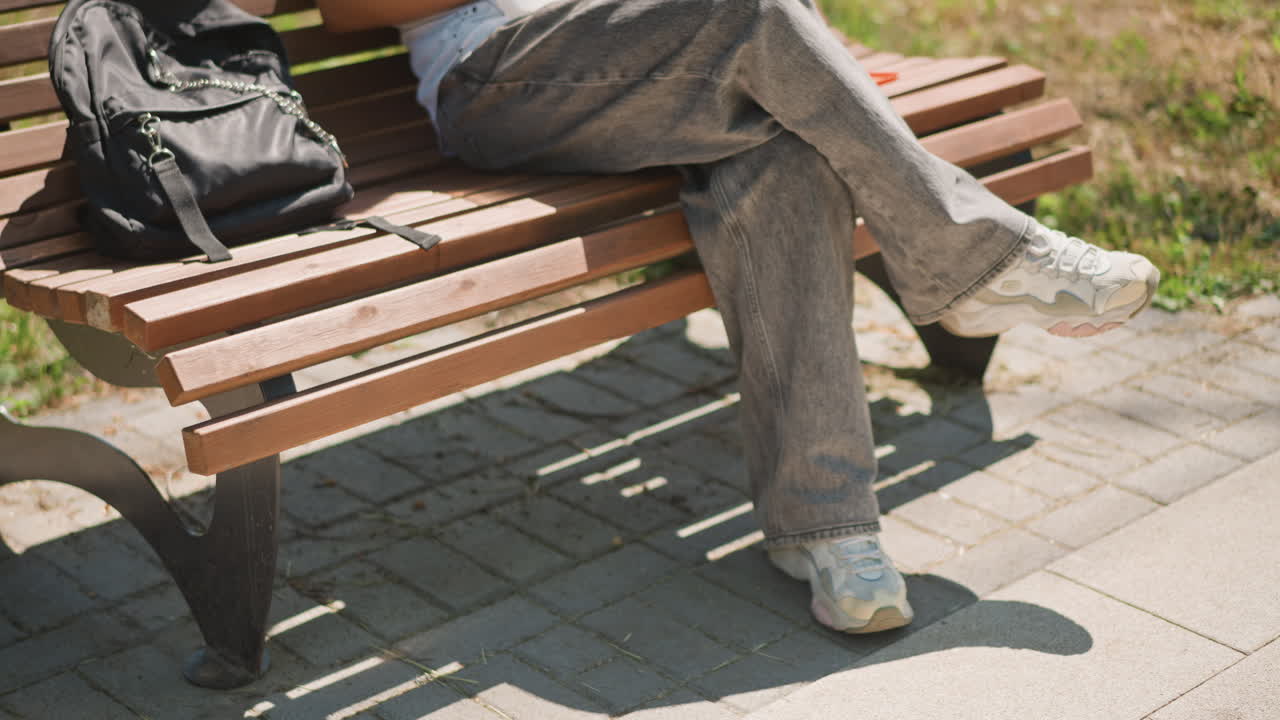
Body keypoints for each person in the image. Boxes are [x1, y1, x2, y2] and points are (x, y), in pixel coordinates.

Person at [317, 0, 1160, 634]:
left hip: (654, 51)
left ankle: (823, 525)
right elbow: (341, 8)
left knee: (786, 152)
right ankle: (968, 260)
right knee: (750, 12)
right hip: (499, 69)